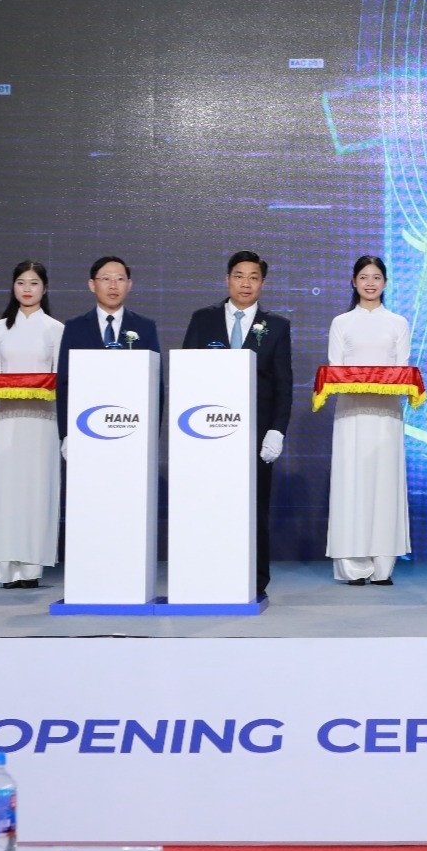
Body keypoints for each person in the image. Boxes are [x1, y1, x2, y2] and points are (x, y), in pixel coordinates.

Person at [182, 251, 293, 603]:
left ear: (263, 283)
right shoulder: (203, 319)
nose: (246, 283)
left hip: (255, 436)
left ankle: (254, 580)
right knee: (209, 503)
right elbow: (187, 376)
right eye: (239, 276)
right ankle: (206, 573)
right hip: (208, 432)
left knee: (254, 507)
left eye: (253, 277)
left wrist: (276, 430)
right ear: (227, 279)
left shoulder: (277, 326)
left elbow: (284, 385)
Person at [324, 255, 412, 586]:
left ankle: (383, 566)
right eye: (364, 277)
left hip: (387, 413)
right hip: (351, 412)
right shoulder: (341, 322)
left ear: (385, 283)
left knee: (385, 483)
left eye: (376, 277)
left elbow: (403, 368)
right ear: (354, 282)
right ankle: (353, 566)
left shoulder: (398, 323)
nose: (370, 283)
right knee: (351, 481)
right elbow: (335, 368)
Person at [0, 260, 63, 590]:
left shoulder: (55, 328)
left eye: (33, 283)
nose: (27, 289)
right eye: (21, 283)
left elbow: (60, 379)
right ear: (13, 287)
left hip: (42, 421)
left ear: (44, 288)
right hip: (6, 419)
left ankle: (31, 569)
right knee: (6, 492)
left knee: (37, 490)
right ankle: (6, 569)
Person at [54, 256, 159, 441]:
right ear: (92, 285)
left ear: (129, 285)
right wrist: (66, 435)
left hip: (131, 428)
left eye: (120, 279)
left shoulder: (145, 327)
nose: (113, 286)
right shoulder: (75, 327)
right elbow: (64, 384)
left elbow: (156, 386)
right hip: (85, 428)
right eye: (105, 279)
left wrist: (152, 436)